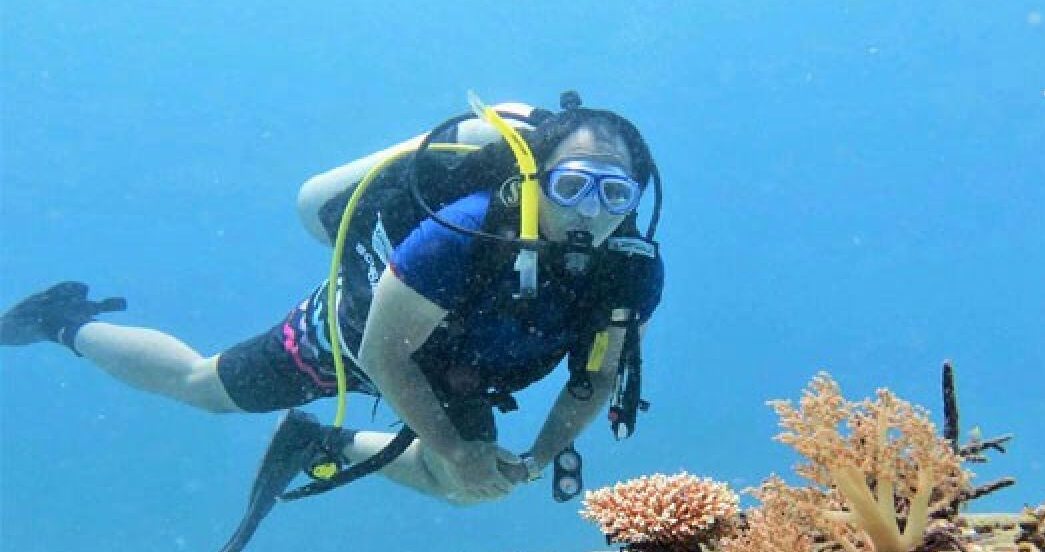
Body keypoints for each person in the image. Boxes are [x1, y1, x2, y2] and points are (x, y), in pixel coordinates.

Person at [0, 94, 665, 508]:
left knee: (465, 488)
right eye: (574, 185)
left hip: (464, 370)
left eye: (615, 195)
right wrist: (455, 446)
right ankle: (64, 322)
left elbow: (596, 374)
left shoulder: (628, 274)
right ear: (534, 178)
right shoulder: (458, 235)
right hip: (353, 338)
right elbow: (384, 351)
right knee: (202, 385)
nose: (591, 212)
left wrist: (542, 453)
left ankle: (327, 442)